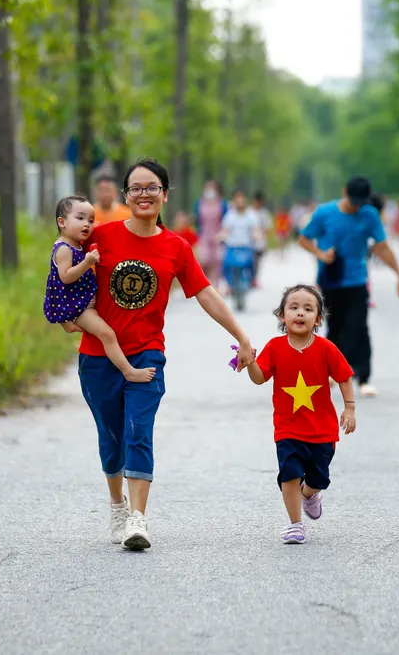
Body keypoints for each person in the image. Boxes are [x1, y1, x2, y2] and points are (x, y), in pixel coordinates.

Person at [67, 158, 255, 550]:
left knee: (139, 430)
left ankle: (137, 518)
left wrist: (241, 335)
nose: (143, 194)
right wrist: (65, 315)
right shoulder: (99, 236)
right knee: (111, 435)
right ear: (125, 195)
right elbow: (61, 273)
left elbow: (205, 293)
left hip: (146, 355)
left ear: (165, 195)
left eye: (152, 187)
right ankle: (117, 504)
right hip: (97, 357)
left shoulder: (175, 247)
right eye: (135, 188)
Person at [245, 284, 356, 544]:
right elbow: (259, 378)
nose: (300, 313)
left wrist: (349, 407)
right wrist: (250, 363)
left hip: (322, 429)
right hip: (287, 428)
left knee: (319, 477)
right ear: (282, 316)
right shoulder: (274, 347)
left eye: (308, 309)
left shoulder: (326, 348)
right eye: (293, 307)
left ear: (317, 319)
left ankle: (310, 493)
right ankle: (295, 524)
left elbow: (344, 377)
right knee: (289, 472)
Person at [298, 176, 399, 397]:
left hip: (358, 280)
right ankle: (332, 371)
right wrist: (321, 254)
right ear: (344, 192)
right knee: (335, 326)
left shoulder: (369, 215)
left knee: (359, 325)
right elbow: (304, 239)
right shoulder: (325, 213)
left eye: (361, 201)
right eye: (354, 201)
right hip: (331, 279)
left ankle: (362, 376)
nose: (357, 206)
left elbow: (382, 247)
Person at [44, 195, 155, 384]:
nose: (87, 224)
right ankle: (128, 371)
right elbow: (66, 277)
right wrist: (87, 263)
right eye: (80, 218)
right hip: (80, 308)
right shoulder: (64, 249)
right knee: (107, 334)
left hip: (83, 303)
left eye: (90, 220)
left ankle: (70, 325)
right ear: (62, 222)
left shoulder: (75, 245)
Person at [217, 190, 262, 311]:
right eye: (237, 199)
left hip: (246, 247)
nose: (240, 202)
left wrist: (256, 235)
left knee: (251, 266)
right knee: (226, 266)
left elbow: (255, 229)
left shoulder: (251, 215)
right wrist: (221, 236)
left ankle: (250, 282)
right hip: (232, 247)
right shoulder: (230, 215)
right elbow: (225, 230)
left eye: (242, 199)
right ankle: (231, 286)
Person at [193, 180, 228, 287]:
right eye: (208, 188)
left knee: (217, 262)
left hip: (218, 237)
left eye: (212, 188)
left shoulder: (222, 204)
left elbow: (226, 220)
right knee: (204, 260)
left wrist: (223, 235)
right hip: (203, 236)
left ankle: (216, 288)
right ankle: (206, 284)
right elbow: (196, 220)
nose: (210, 190)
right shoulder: (199, 203)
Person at [250, 191, 272, 286]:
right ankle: (249, 278)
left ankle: (254, 278)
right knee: (249, 261)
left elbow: (267, 228)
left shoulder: (264, 214)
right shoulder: (249, 212)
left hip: (260, 243)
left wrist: (264, 240)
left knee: (257, 262)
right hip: (249, 242)